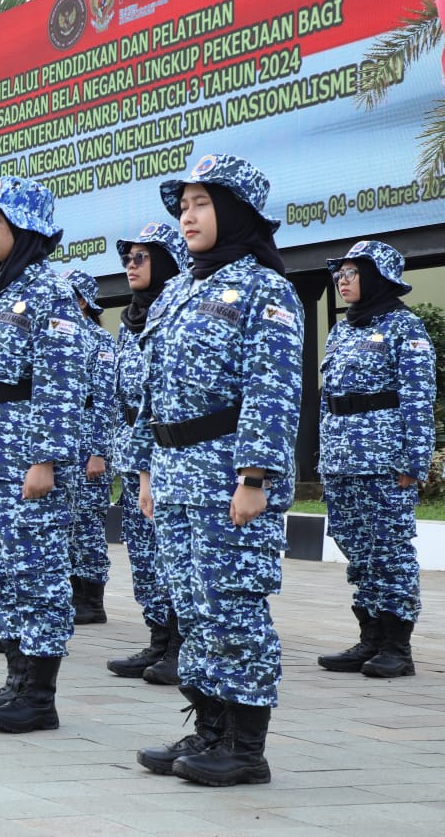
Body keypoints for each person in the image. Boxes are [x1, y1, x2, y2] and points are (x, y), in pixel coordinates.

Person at [132, 154, 302, 786]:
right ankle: (208, 729)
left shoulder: (266, 289)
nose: (188, 216)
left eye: (202, 204)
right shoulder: (180, 289)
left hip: (228, 475)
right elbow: (153, 389)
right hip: (174, 473)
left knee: (233, 606)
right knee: (193, 607)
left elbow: (273, 390)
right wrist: (146, 470)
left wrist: (254, 478)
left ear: (234, 212)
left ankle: (245, 747)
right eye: (183, 206)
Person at [0, 177, 87, 733]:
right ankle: (15, 679)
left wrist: (45, 460)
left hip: (23, 461)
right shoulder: (0, 296)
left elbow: (59, 384)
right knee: (4, 574)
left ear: (25, 228)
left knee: (37, 574)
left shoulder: (50, 294)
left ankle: (39, 695)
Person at [316, 240, 435, 679]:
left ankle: (396, 646)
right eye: (339, 274)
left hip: (385, 458)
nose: (342, 280)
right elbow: (330, 398)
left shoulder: (406, 328)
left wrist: (414, 461)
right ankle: (369, 637)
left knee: (389, 550)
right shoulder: (343, 330)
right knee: (357, 550)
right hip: (342, 458)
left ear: (377, 276)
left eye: (351, 272)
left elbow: (418, 400)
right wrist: (324, 458)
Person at [106, 223, 189, 682]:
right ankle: (159, 638)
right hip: (135, 452)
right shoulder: (131, 319)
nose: (131, 266)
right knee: (143, 553)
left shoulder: (180, 312)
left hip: (173, 451)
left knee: (172, 552)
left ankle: (182, 644)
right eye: (128, 258)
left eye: (142, 257)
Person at [59, 268, 118, 626]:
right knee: (64, 523)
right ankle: (70, 591)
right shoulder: (59, 336)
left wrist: (98, 451)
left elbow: (105, 401)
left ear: (82, 301)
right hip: (63, 446)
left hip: (87, 446)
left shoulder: (100, 342)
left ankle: (92, 600)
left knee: (87, 525)